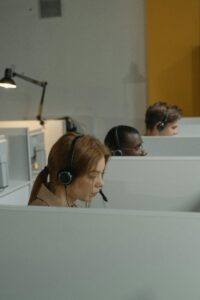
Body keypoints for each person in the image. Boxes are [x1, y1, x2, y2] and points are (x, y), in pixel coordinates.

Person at [28, 132, 110, 207]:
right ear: (67, 177)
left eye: (101, 174)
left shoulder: (69, 208)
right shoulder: (42, 214)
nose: (101, 183)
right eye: (93, 176)